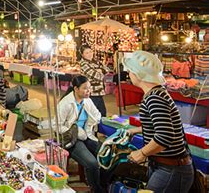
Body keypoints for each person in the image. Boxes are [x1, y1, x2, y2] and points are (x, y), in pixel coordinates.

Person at [124, 51, 194, 193]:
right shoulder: (156, 93)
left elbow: (165, 136)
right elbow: (162, 127)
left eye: (130, 71)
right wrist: (135, 130)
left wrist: (141, 153)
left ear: (138, 74)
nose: (129, 74)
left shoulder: (154, 97)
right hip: (166, 167)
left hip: (170, 169)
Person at [57, 75, 103, 192]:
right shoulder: (65, 103)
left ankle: (104, 184)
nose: (89, 91)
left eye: (90, 88)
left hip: (87, 135)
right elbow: (56, 126)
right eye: (85, 88)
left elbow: (97, 114)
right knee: (92, 163)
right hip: (72, 139)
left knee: (107, 154)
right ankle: (96, 189)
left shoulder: (87, 101)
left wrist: (92, 122)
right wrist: (75, 131)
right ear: (76, 89)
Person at [79, 45, 108, 117]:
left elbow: (107, 70)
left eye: (90, 52)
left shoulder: (95, 61)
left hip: (99, 92)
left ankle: (100, 128)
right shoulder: (83, 64)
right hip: (91, 93)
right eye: (87, 53)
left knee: (102, 114)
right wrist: (100, 71)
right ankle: (90, 128)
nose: (89, 54)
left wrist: (101, 70)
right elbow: (97, 76)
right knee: (92, 115)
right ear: (82, 54)